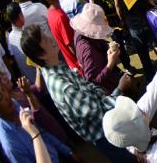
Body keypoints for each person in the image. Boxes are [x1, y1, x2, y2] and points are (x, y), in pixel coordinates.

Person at [19, 24, 136, 161]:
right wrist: (119, 89)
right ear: (41, 54)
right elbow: (98, 112)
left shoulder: (57, 68)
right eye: (45, 39)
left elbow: (89, 87)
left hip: (109, 127)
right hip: (106, 134)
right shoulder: (62, 86)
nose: (50, 38)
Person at [0, 74, 74, 163]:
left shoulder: (15, 105)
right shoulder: (11, 146)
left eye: (2, 89)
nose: (7, 96)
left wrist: (67, 151)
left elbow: (43, 133)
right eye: (0, 98)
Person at [71, 3, 123, 94]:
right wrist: (110, 63)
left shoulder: (78, 33)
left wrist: (108, 47)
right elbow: (93, 82)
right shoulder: (87, 50)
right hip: (109, 92)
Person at [43, 0, 80, 72]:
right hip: (79, 64)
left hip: (73, 64)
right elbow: (72, 46)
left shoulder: (50, 13)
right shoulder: (59, 16)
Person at [6, 2, 36, 83]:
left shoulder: (10, 37)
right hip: (39, 81)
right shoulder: (25, 36)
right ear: (20, 16)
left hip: (29, 81)